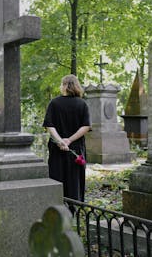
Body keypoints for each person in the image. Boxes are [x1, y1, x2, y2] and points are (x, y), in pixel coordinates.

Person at [42, 74, 91, 206]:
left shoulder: (54, 103)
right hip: (75, 149)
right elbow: (86, 126)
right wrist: (69, 140)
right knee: (75, 180)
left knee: (56, 178)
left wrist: (60, 141)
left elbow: (49, 125)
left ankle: (56, 208)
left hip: (57, 149)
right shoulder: (82, 104)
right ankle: (74, 209)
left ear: (64, 86)